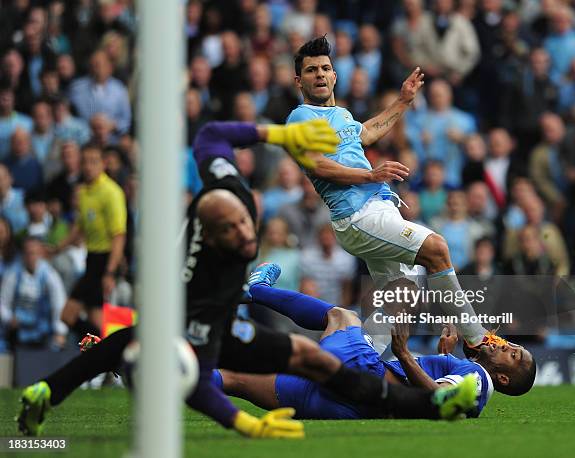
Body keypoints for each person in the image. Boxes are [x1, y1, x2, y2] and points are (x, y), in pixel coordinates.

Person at [18, 119, 477, 438]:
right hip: (220, 323)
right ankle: (249, 295)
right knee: (261, 360)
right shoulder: (203, 281)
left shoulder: (228, 186)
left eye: (244, 221)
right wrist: (246, 426)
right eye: (234, 229)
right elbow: (196, 388)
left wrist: (281, 135)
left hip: (243, 337)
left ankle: (64, 384)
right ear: (214, 239)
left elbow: (212, 135)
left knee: (298, 353)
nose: (244, 230)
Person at [286, 36, 508, 351]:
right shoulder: (300, 117)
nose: (319, 74)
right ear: (299, 80)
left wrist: (403, 100)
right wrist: (370, 175)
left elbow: (369, 131)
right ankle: (477, 340)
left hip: (378, 207)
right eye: (311, 70)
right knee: (436, 248)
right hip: (356, 214)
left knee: (400, 296)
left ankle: (356, 367)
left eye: (325, 68)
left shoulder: (343, 116)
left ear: (335, 76)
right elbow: (316, 165)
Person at [214, 263, 536, 419]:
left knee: (342, 315)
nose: (506, 346)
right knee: (236, 380)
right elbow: (442, 390)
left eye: (513, 355)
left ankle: (257, 290)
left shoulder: (481, 380)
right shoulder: (471, 376)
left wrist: (405, 355)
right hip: (347, 407)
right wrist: (443, 356)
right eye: (512, 346)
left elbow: (440, 398)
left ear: (504, 377)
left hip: (364, 374)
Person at [53, 144, 127, 337]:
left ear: (103, 164)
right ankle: (101, 354)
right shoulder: (84, 192)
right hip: (92, 258)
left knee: (68, 314)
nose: (88, 166)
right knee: (95, 320)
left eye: (93, 161)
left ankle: (104, 352)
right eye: (84, 161)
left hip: (105, 259)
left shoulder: (112, 192)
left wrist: (110, 272)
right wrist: (57, 248)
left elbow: (118, 235)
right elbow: (79, 227)